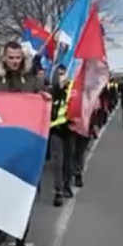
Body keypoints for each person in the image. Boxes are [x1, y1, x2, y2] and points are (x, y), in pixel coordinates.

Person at [0, 41, 51, 246]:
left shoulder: (33, 82)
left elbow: (46, 100)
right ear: (3, 58)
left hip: (25, 147)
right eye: (10, 57)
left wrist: (46, 97)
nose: (14, 61)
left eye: (17, 58)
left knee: (22, 194)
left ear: (23, 59)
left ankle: (20, 243)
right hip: (0, 146)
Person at [48, 65, 76, 207]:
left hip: (70, 129)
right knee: (57, 162)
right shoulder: (52, 90)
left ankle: (66, 185)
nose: (61, 77)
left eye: (63, 74)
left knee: (68, 161)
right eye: (59, 74)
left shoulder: (73, 90)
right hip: (55, 129)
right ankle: (58, 191)